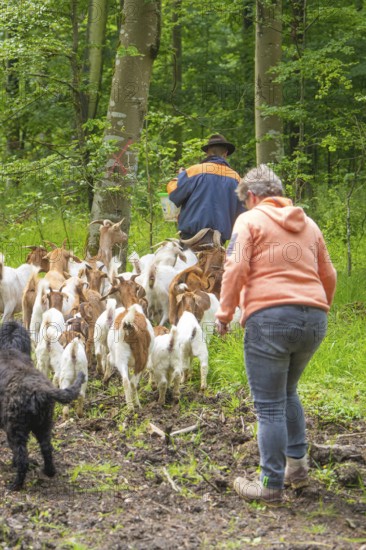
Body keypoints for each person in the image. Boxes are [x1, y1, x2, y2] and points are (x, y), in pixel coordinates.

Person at [215, 164, 337, 503]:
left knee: (268, 405)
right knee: (287, 392)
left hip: (269, 319)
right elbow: (329, 274)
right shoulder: (309, 225)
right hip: (313, 319)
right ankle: (296, 469)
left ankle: (270, 484)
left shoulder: (249, 221)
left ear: (251, 197)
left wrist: (224, 314)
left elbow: (236, 265)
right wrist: (314, 307)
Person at [167, 134, 245, 246]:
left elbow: (174, 193)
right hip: (218, 241)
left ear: (207, 152)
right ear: (226, 153)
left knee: (188, 263)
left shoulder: (194, 171)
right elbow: (242, 214)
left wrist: (179, 177)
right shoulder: (236, 178)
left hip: (190, 238)